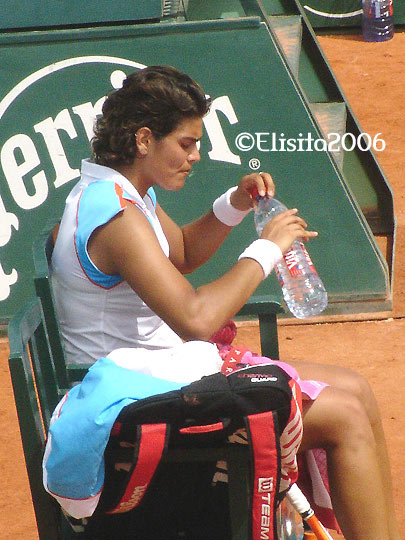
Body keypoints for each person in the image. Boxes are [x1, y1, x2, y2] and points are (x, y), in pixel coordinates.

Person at [51, 65, 400, 540]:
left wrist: (235, 203)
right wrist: (268, 249)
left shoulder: (121, 194)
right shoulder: (116, 215)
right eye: (186, 144)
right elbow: (196, 318)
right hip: (132, 408)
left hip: (152, 377)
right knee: (346, 418)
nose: (195, 156)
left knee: (355, 388)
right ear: (144, 139)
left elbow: (186, 252)